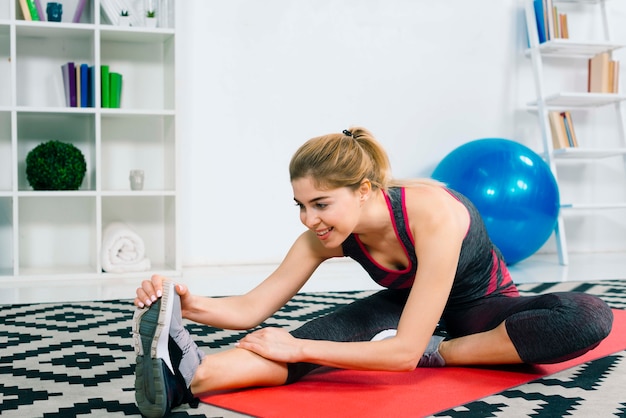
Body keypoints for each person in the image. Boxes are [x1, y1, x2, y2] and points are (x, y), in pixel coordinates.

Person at [132, 127, 614, 417]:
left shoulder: (433, 214)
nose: (308, 219)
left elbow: (403, 354)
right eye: (300, 205)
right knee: (309, 341)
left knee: (587, 316)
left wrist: (299, 347)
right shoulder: (324, 238)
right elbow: (250, 308)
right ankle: (186, 377)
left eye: (321, 203)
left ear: (363, 190)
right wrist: (183, 303)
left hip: (480, 313)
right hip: (404, 307)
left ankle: (442, 352)